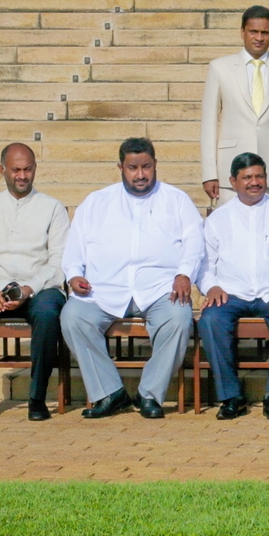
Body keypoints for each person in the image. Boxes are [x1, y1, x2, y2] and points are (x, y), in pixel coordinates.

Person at [60, 138, 203, 419]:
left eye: (146, 167)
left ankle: (149, 394)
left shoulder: (176, 200)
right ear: (120, 168)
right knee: (72, 317)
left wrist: (184, 273)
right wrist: (74, 275)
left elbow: (194, 242)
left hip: (160, 290)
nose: (140, 174)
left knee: (179, 318)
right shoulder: (97, 202)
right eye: (132, 168)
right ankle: (109, 393)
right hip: (103, 289)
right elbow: (74, 247)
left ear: (155, 164)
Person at [0, 143, 69, 422]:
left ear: (35, 169)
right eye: (16, 169)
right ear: (2, 169)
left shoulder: (52, 208)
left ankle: (37, 399)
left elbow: (60, 261)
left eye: (28, 169)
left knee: (48, 314)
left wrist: (30, 289)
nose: (22, 176)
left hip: (39, 287)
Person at [196, 153, 269, 420]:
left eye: (259, 176)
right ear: (233, 182)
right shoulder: (218, 219)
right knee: (210, 320)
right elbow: (204, 265)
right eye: (247, 177)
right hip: (231, 294)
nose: (254, 182)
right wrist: (211, 287)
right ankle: (231, 396)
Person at [200, 5, 269, 206]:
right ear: (242, 32)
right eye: (253, 31)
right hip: (231, 173)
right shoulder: (219, 68)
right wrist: (210, 173)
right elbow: (208, 124)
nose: (259, 38)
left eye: (265, 33)